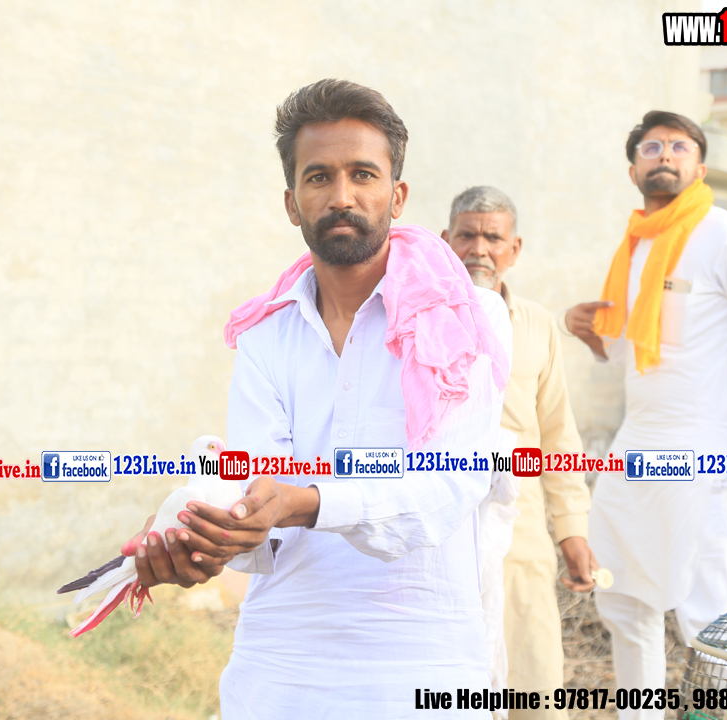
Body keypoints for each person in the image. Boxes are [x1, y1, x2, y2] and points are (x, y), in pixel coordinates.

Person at [117, 79, 513, 718]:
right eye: (319, 177)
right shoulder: (264, 335)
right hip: (280, 665)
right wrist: (206, 538)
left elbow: (447, 486)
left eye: (363, 174)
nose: (342, 196)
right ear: (292, 203)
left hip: (421, 661)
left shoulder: (470, 317)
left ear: (397, 195)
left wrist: (304, 502)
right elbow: (256, 495)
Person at [564, 110, 727, 719]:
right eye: (651, 147)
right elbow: (631, 354)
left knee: (711, 612)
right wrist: (590, 335)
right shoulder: (635, 246)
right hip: (635, 446)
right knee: (622, 599)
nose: (665, 155)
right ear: (633, 170)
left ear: (700, 168)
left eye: (680, 146)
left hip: (707, 449)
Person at [442, 186, 596, 720]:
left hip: (522, 527)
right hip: (439, 523)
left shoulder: (535, 323)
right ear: (445, 241)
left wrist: (571, 530)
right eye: (467, 235)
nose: (479, 249)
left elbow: (558, 433)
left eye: (493, 237)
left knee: (534, 679)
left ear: (515, 248)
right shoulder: (418, 314)